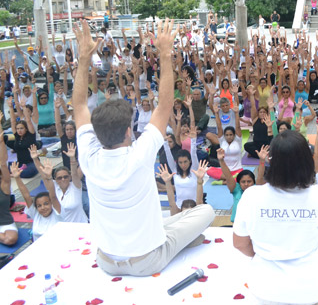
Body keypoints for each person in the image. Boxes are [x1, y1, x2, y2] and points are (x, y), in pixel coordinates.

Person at [73, 19, 214, 277]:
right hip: (146, 261)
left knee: (172, 222)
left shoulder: (88, 155)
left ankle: (181, 239)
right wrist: (164, 53)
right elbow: (165, 105)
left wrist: (83, 59)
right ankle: (181, 242)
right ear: (130, 131)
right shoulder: (140, 153)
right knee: (205, 211)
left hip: (105, 260)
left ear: (96, 133)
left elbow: (79, 106)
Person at [233, 130, 318, 304]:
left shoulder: (252, 195)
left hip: (265, 289)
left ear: (271, 161)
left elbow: (240, 243)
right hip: (311, 290)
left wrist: (264, 255)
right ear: (307, 161)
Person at [11, 159, 63, 241]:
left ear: (51, 204)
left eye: (46, 203)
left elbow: (53, 196)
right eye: (39, 205)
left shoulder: (58, 213)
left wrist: (49, 177)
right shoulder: (36, 214)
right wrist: (17, 178)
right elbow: (26, 196)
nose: (43, 207)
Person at [220, 146, 266, 224]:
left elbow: (260, 175)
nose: (246, 184)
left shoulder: (256, 189)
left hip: (254, 224)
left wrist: (262, 160)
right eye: (243, 182)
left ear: (253, 182)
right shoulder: (236, 189)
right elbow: (228, 175)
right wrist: (221, 160)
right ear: (239, 183)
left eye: (249, 181)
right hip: (237, 224)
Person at [0, 136, 18, 246]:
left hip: (6, 223)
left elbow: (3, 163)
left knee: (10, 240)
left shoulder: (4, 186)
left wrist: (1, 142)